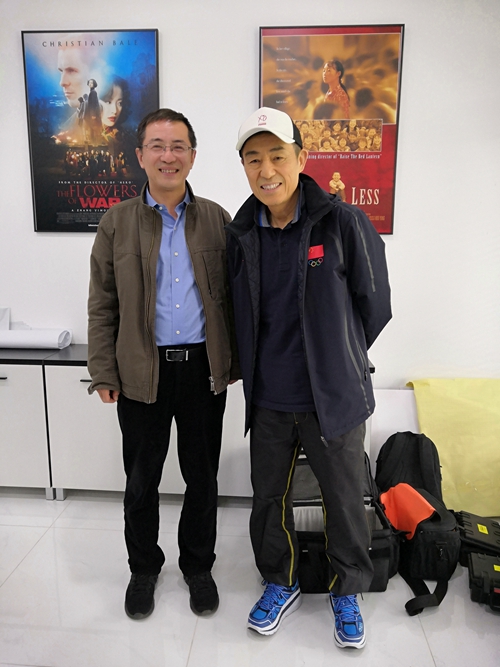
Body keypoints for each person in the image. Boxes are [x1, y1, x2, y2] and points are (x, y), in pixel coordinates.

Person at [226, 107, 391, 648]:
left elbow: (375, 306)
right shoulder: (241, 232)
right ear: (244, 168)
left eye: (277, 155)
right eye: (254, 159)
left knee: (343, 500)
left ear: (301, 158)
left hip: (333, 399)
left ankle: (349, 588)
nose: (266, 169)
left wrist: (339, 360)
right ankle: (280, 580)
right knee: (268, 499)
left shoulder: (343, 223)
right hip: (269, 398)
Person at [88, 108, 239, 621]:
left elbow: (237, 299)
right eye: (157, 145)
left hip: (202, 370)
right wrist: (103, 371)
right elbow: (102, 303)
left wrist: (238, 363)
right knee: (141, 481)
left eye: (178, 146)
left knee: (202, 479)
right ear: (140, 155)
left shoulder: (218, 219)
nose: (167, 156)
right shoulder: (116, 223)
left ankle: (198, 567)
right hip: (140, 371)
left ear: (192, 156)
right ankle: (143, 569)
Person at [84, 78, 101, 143]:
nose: (90, 84)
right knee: (92, 128)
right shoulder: (92, 92)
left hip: (92, 114)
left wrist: (93, 114)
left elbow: (93, 104)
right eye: (89, 83)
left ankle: (94, 142)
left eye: (92, 83)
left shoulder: (93, 92)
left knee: (93, 128)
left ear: (94, 84)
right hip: (92, 113)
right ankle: (93, 142)